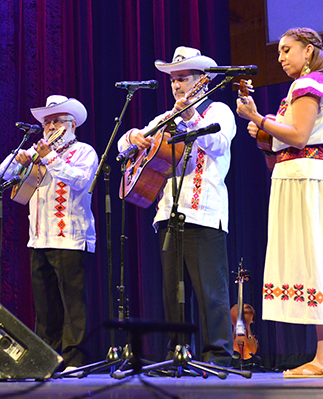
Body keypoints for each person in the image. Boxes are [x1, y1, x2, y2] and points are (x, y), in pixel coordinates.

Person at [236, 28, 323, 377]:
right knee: (316, 259)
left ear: (308, 51)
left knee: (318, 259)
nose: (281, 57)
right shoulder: (316, 86)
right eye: (278, 52)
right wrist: (265, 132)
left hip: (307, 179)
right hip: (300, 175)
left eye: (288, 50)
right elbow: (283, 150)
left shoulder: (308, 85)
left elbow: (300, 136)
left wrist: (258, 120)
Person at [117, 47, 236, 366]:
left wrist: (189, 117)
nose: (176, 85)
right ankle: (178, 354)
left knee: (210, 291)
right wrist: (133, 138)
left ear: (202, 81)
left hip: (204, 212)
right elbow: (123, 145)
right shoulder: (164, 118)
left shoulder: (218, 111)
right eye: (173, 80)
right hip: (168, 213)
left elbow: (218, 143)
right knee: (174, 293)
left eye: (183, 78)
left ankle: (218, 357)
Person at [0, 95, 98, 370]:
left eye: (57, 121)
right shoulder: (36, 153)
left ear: (72, 125)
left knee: (73, 306)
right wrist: (19, 160)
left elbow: (79, 180)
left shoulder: (84, 152)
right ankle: (47, 359)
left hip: (71, 239)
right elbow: (3, 173)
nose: (51, 127)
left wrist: (50, 157)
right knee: (45, 308)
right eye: (47, 122)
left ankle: (75, 361)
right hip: (39, 238)